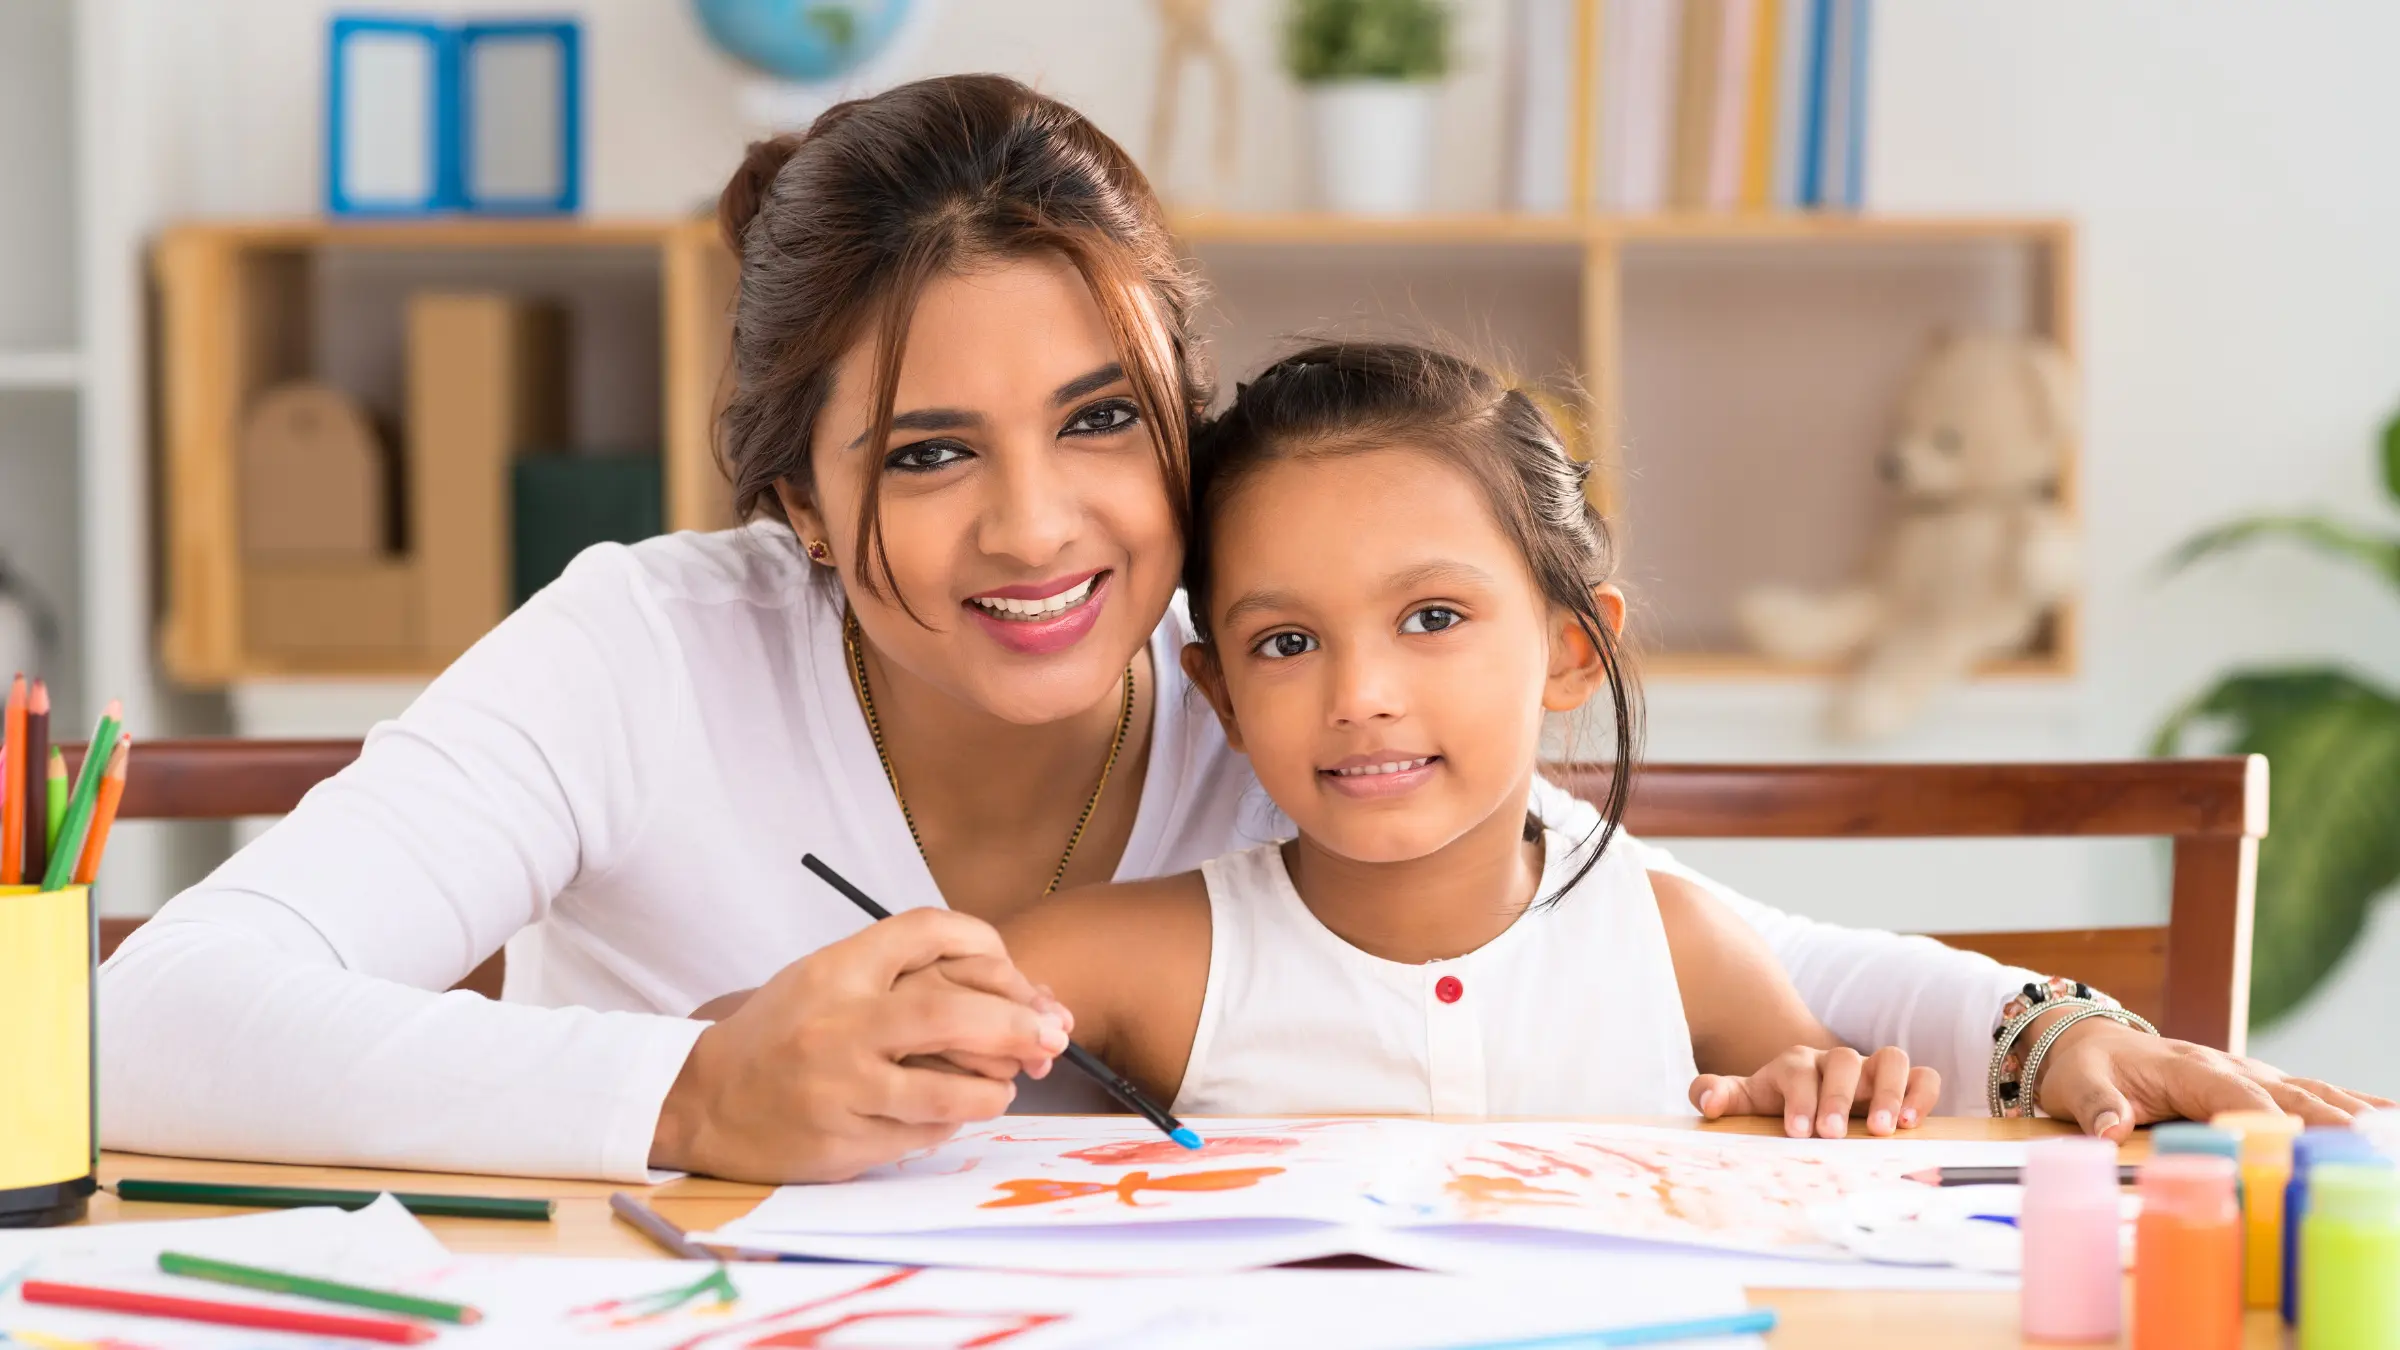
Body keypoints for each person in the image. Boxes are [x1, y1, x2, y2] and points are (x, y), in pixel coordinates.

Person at [99, 75, 2391, 1187]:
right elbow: (157, 1021)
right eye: (919, 451)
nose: (1036, 526)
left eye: (1100, 416)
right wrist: (682, 1086)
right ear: (789, 487)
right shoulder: (640, 650)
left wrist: (2041, 1030)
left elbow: (1667, 917)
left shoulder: (1265, 673)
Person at [983, 340, 1939, 1131]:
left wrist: (1828, 1098)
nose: (1360, 696)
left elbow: (1834, 1138)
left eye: (1433, 618)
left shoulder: (1677, 946)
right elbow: (904, 1042)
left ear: (1570, 651)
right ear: (1224, 696)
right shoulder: (1131, 959)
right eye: (1287, 641)